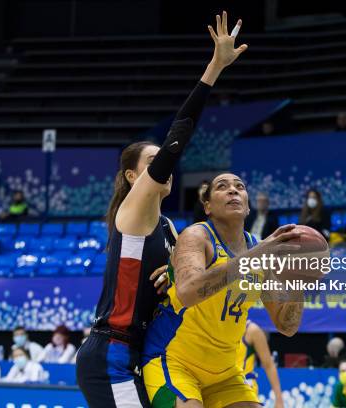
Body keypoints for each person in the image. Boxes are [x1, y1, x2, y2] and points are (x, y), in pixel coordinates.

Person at [75, 11, 248, 408]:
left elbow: (187, 284)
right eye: (152, 163)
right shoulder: (132, 214)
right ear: (134, 177)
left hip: (143, 352)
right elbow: (178, 136)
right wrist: (215, 67)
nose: (164, 168)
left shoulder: (171, 227)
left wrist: (172, 273)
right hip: (110, 353)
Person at [142, 172, 311, 407]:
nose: (233, 190)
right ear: (208, 206)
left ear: (248, 207)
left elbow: (286, 326)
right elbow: (188, 293)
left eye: (240, 186)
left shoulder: (259, 251)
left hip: (225, 372)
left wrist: (298, 282)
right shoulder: (196, 236)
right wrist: (257, 254)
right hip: (174, 361)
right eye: (223, 186)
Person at [237, 320, 284, 407]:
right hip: (219, 389)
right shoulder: (216, 329)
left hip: (245, 391)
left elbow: (269, 365)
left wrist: (279, 399)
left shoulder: (252, 331)